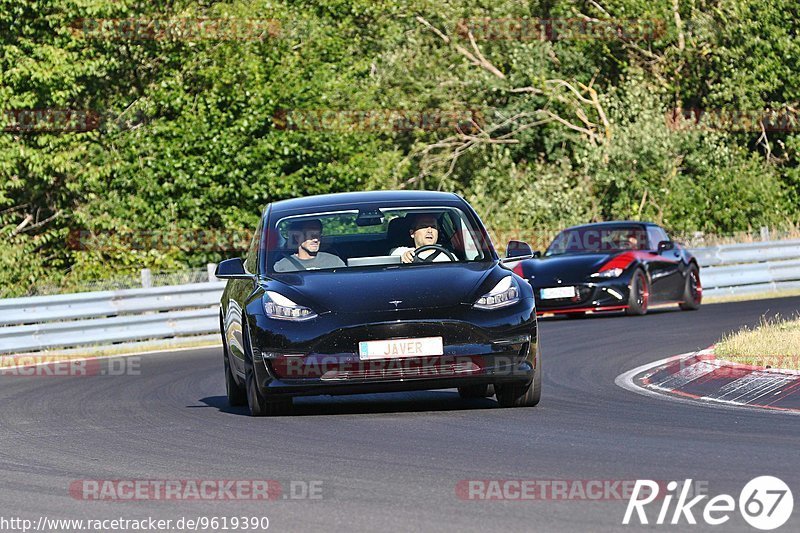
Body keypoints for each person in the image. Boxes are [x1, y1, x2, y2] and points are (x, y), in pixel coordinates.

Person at [273, 219, 345, 272]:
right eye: (310, 234)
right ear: (297, 237)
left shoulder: (335, 262)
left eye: (318, 234)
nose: (316, 240)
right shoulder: (281, 267)